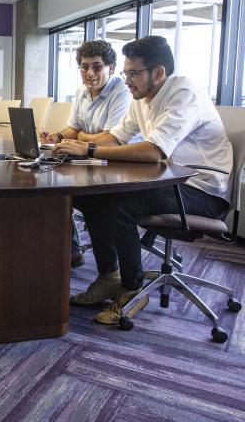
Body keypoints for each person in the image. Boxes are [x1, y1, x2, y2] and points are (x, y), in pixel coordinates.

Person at [54, 35, 233, 325]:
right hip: (166, 182)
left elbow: (154, 151)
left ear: (158, 73)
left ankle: (132, 287)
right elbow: (116, 137)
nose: (127, 80)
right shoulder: (142, 97)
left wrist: (87, 148)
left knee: (119, 203)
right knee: (88, 195)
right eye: (125, 73)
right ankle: (109, 275)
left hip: (200, 190)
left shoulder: (183, 92)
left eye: (133, 73)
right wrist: (70, 148)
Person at [42, 40, 131, 267]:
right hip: (90, 158)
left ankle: (104, 265)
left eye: (97, 67)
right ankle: (71, 250)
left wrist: (80, 138)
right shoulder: (81, 90)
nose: (90, 73)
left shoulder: (122, 92)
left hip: (119, 164)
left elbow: (111, 139)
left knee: (76, 192)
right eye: (84, 66)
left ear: (111, 68)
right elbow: (74, 128)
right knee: (47, 176)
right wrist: (59, 137)